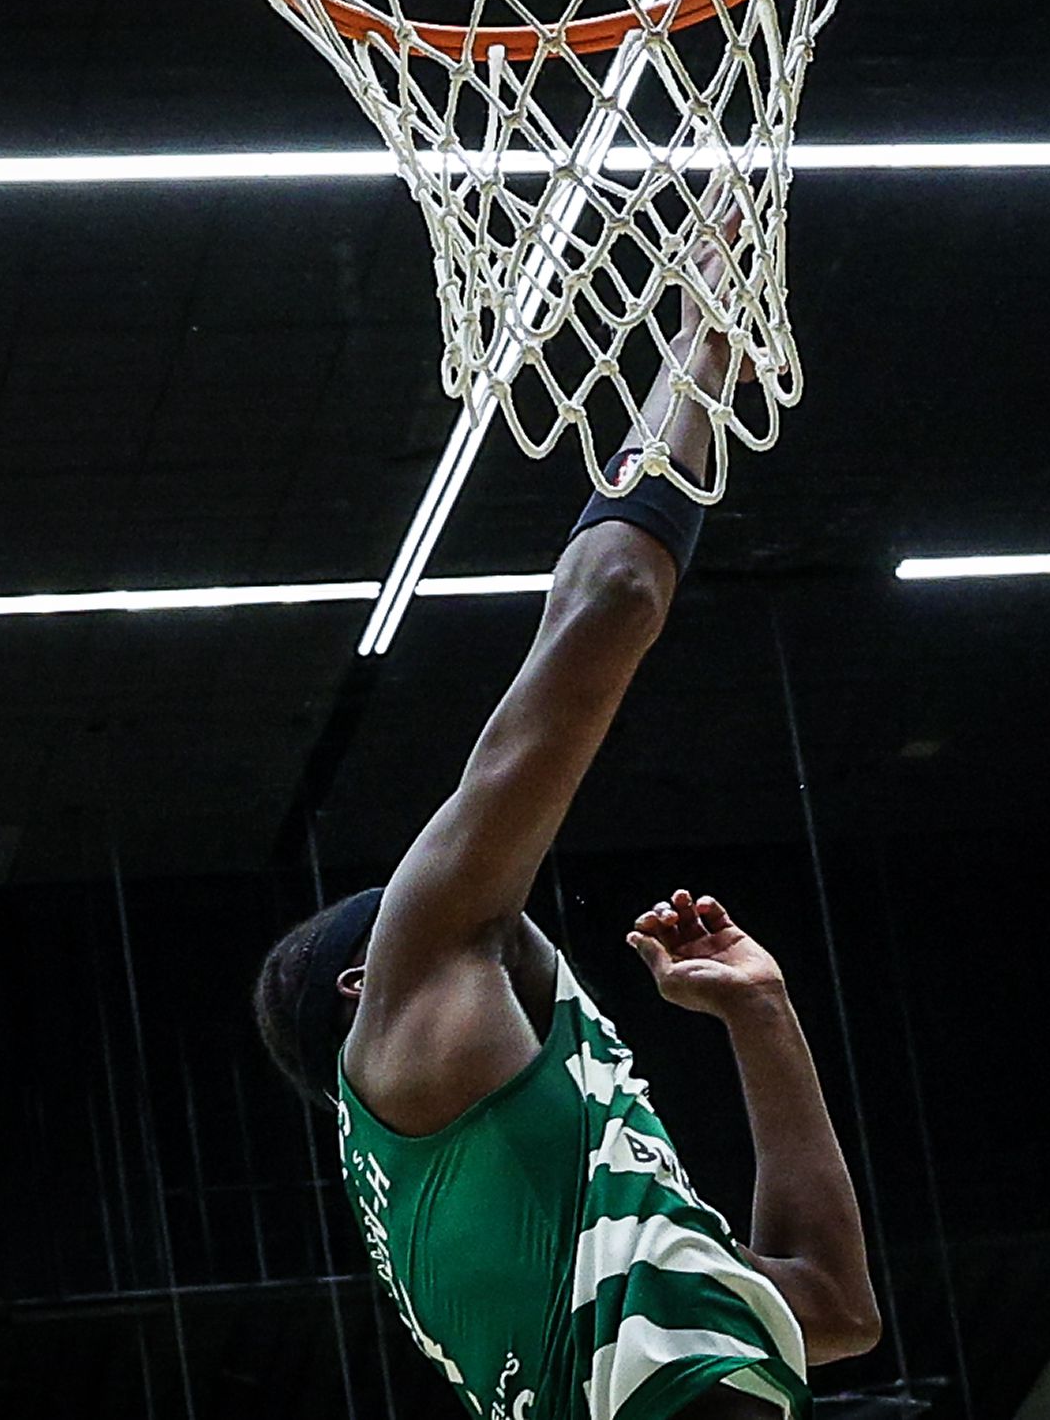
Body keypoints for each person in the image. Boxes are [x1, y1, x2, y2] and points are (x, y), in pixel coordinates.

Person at [252, 283, 880, 1420]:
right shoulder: (419, 1009)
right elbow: (613, 601)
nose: (448, 875)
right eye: (404, 901)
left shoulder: (540, 1191)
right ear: (372, 982)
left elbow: (834, 1309)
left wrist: (762, 1014)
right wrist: (694, 354)